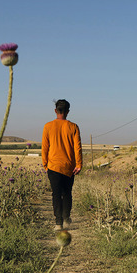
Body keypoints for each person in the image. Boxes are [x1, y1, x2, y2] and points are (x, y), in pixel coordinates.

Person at [42, 99, 83, 231]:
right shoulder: (73, 127)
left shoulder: (48, 126)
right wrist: (79, 164)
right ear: (68, 112)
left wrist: (45, 164)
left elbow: (45, 148)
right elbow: (78, 148)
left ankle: (58, 223)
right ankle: (66, 219)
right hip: (69, 167)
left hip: (53, 166)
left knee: (56, 194)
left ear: (55, 111)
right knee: (67, 193)